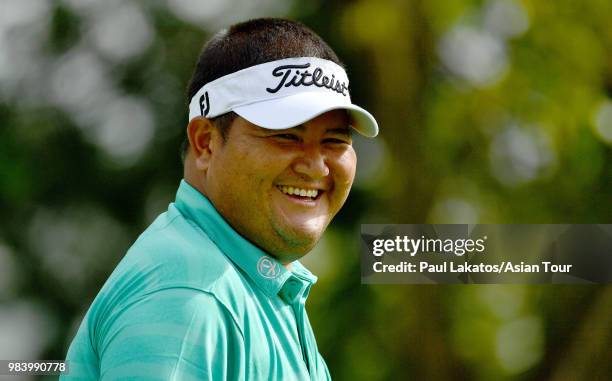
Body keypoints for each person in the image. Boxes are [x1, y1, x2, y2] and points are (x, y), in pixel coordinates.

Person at [62, 17, 378, 380]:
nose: (316, 167)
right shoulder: (189, 296)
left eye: (335, 141)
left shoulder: (250, 283)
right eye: (286, 136)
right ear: (205, 143)